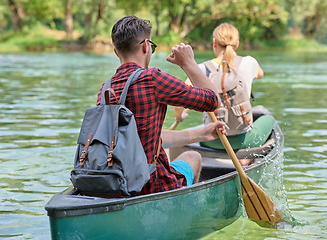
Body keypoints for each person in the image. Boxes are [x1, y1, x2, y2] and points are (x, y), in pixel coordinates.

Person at [96, 16, 226, 195]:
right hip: (151, 184)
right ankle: (186, 212)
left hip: (115, 181)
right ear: (145, 46)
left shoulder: (106, 89)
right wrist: (188, 63)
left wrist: (201, 134)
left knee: (185, 155)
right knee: (192, 156)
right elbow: (212, 100)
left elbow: (142, 137)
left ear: (116, 52)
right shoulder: (152, 79)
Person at [174, 23, 274, 157]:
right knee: (268, 118)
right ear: (237, 44)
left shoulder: (200, 69)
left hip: (210, 141)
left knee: (202, 127)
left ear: (214, 43)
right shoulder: (249, 62)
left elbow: (179, 102)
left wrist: (180, 116)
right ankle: (247, 158)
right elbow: (260, 74)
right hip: (243, 141)